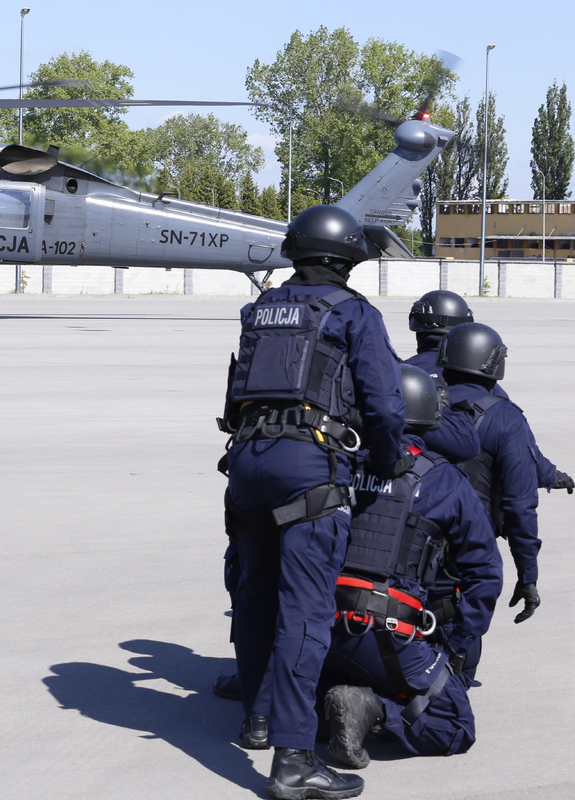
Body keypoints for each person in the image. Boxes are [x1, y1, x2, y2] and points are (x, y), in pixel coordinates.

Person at [218, 205, 407, 800]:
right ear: (348, 257)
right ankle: (294, 761)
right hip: (308, 466)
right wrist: (385, 460)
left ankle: (257, 718)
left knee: (254, 594)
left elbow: (234, 392)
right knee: (304, 611)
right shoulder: (354, 312)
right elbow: (383, 403)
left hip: (246, 461)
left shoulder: (260, 309)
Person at [321, 365, 503, 768]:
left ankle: (319, 701)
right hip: (388, 633)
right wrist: (455, 644)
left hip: (319, 627)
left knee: (308, 698)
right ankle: (371, 709)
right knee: (453, 723)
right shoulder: (444, 479)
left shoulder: (336, 465)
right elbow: (485, 572)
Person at [439, 323, 549, 632]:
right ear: (493, 363)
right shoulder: (506, 418)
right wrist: (528, 574)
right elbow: (519, 504)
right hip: (465, 549)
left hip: (406, 538)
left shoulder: (418, 399)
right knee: (459, 648)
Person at [406, 290, 571, 490]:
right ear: (466, 328)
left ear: (416, 327)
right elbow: (518, 446)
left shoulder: (399, 378)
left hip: (407, 487)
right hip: (466, 497)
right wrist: (552, 476)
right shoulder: (484, 387)